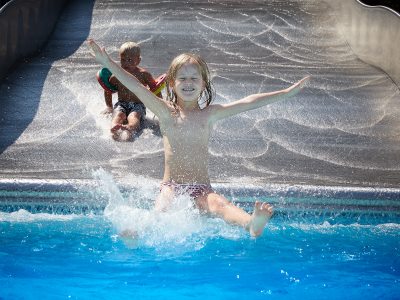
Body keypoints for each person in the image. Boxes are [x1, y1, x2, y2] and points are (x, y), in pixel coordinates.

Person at [88, 39, 310, 237]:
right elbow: (134, 84)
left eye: (194, 78)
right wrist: (107, 62)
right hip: (172, 186)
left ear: (203, 83)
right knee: (161, 210)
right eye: (182, 78)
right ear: (172, 83)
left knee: (220, 204)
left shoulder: (209, 114)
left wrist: (286, 93)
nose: (188, 83)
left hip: (202, 187)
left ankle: (251, 224)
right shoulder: (166, 112)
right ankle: (138, 234)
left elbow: (249, 101)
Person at [101, 41, 160, 141]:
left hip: (137, 104)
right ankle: (114, 127)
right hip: (121, 103)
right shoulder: (117, 75)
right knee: (118, 114)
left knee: (134, 116)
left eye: (129, 60)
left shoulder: (144, 74)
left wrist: (159, 108)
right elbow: (108, 89)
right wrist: (109, 106)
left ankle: (131, 127)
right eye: (123, 60)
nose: (125, 63)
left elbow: (155, 89)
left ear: (138, 60)